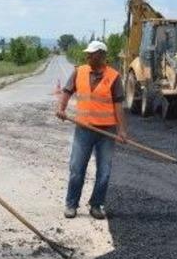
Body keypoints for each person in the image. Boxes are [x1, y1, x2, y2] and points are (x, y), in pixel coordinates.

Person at [55, 40, 128, 219]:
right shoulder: (79, 71)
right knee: (76, 169)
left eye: (91, 53)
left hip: (107, 132)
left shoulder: (114, 76)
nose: (87, 56)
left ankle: (96, 205)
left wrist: (122, 130)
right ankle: (71, 204)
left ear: (101, 55)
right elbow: (67, 91)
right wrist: (61, 108)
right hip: (84, 129)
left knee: (104, 172)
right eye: (87, 53)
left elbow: (118, 106)